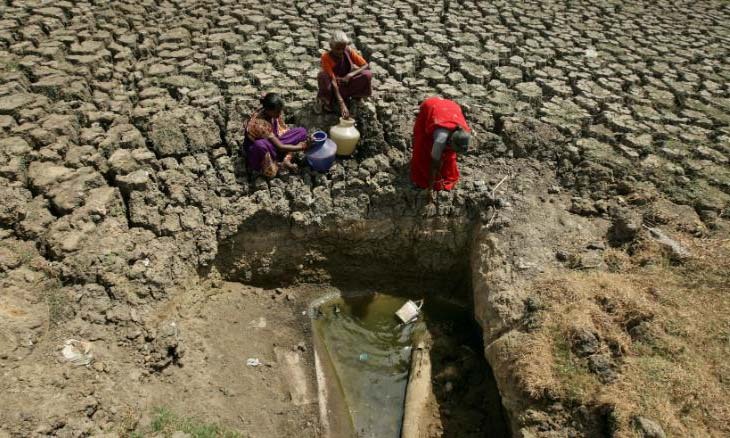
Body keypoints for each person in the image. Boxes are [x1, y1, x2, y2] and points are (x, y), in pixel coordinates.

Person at [410, 97, 471, 196]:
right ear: (450, 140)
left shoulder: (464, 132)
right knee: (422, 148)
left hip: (450, 108)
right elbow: (434, 163)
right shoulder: (440, 138)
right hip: (431, 106)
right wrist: (430, 187)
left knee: (448, 157)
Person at [244, 93, 308, 177]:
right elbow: (280, 147)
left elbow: (278, 137)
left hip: (273, 142)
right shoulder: (260, 124)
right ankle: (277, 164)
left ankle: (282, 158)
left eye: (280, 111)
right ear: (268, 110)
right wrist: (302, 146)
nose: (279, 114)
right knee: (260, 145)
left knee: (301, 132)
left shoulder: (268, 110)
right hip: (261, 151)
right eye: (277, 111)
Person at [317, 30, 372, 119]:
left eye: (342, 48)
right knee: (323, 76)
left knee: (367, 74)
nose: (340, 51)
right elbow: (333, 80)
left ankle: (356, 97)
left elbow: (365, 65)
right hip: (333, 87)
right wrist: (341, 103)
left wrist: (350, 75)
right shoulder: (326, 57)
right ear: (331, 46)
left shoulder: (348, 51)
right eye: (337, 49)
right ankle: (328, 102)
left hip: (347, 83)